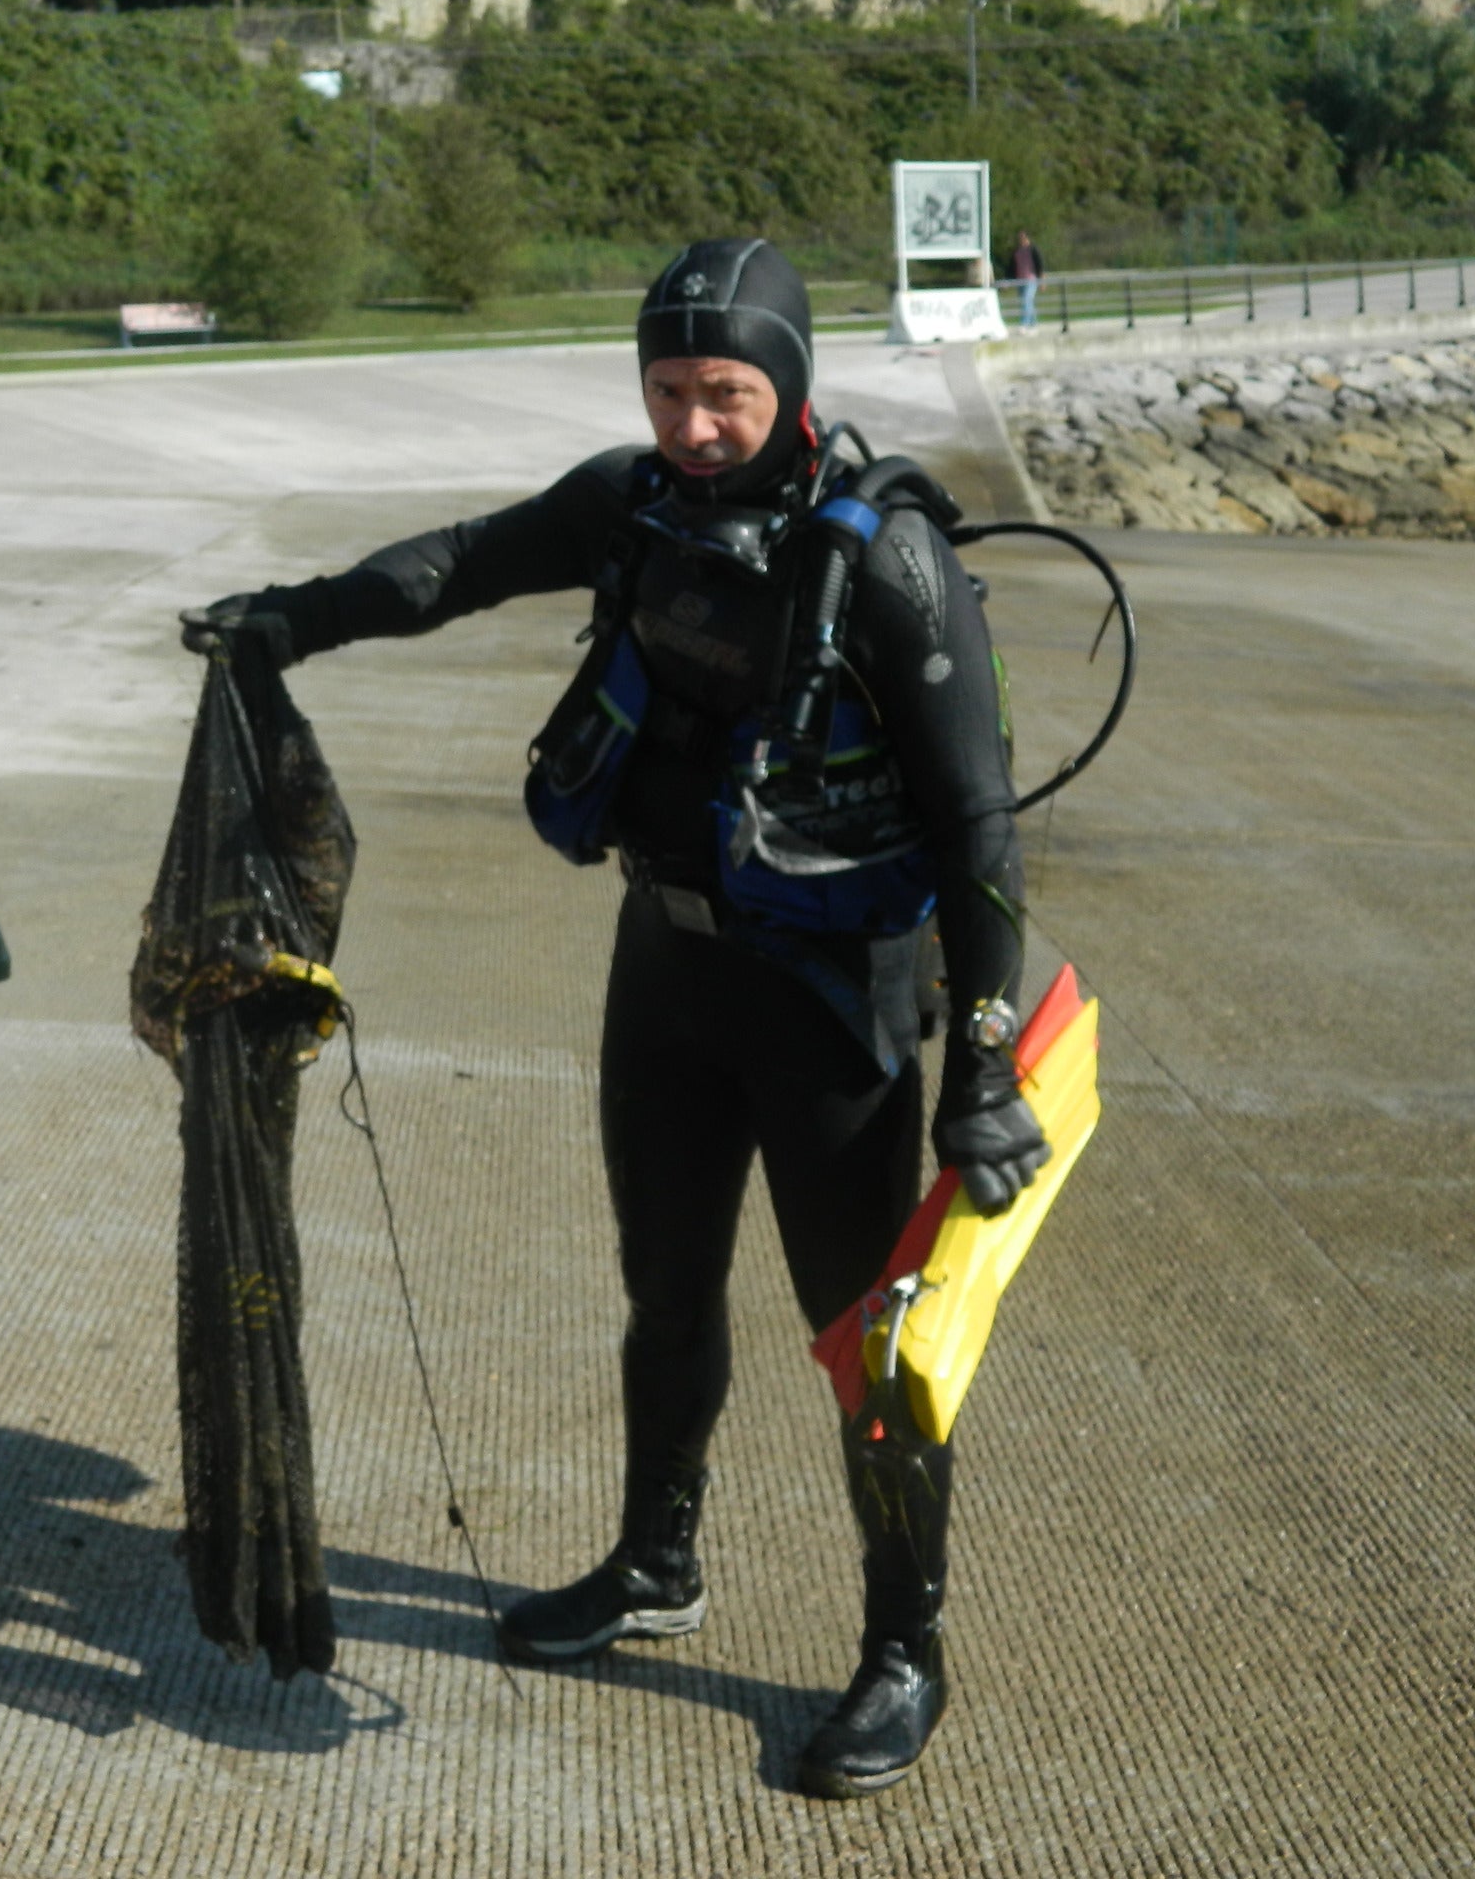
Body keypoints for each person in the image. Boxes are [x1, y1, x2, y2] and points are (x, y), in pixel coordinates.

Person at [181, 238, 1049, 1800]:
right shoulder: (632, 504)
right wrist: (288, 622)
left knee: (873, 1353)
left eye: (728, 394)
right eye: (670, 391)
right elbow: (459, 563)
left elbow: (981, 830)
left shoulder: (888, 560)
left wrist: (982, 1068)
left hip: (834, 1004)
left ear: (789, 386)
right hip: (668, 966)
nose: (697, 424)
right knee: (665, 1296)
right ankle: (658, 1564)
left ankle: (904, 1647)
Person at [1009, 231, 1044, 333]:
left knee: (1026, 300)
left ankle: (1024, 323)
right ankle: (1034, 325)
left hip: (1031, 279)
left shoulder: (1033, 250)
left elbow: (1040, 265)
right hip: (1020, 280)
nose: (1021, 239)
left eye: (1023, 237)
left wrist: (1042, 281)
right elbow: (1012, 266)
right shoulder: (1017, 251)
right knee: (1027, 303)